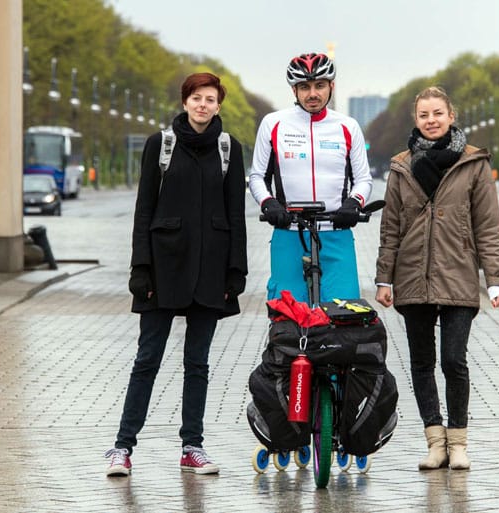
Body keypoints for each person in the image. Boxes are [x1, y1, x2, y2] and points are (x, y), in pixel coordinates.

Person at [104, 72, 247, 476]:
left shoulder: (228, 149)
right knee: (147, 360)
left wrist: (236, 272)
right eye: (196, 98)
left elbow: (236, 215)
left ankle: (192, 446)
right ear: (185, 102)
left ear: (219, 105)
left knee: (197, 364)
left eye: (211, 99)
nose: (203, 105)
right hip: (163, 270)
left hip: (210, 271)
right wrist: (140, 269)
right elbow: (144, 209)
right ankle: (122, 448)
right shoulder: (160, 145)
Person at [374, 86, 499, 471]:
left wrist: (495, 279)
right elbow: (391, 227)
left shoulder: (474, 163)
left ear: (451, 116)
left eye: (437, 113)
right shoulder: (401, 166)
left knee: (454, 360)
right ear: (415, 120)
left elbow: (487, 225)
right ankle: (435, 441)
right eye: (423, 115)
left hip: (458, 275)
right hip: (413, 276)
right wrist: (385, 278)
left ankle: (459, 441)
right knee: (421, 362)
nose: (430, 120)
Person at [249, 52, 372, 303]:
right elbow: (257, 176)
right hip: (290, 230)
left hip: (335, 230)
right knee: (287, 314)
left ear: (331, 86)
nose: (312, 94)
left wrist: (354, 203)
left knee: (344, 312)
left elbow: (363, 179)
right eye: (304, 87)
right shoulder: (273, 123)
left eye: (319, 85)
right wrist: (268, 203)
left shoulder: (348, 126)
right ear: (294, 90)